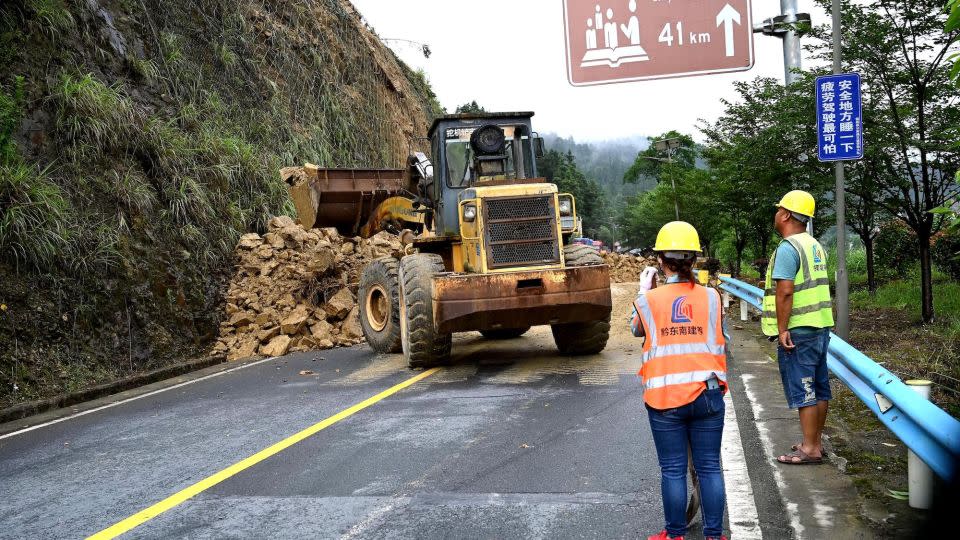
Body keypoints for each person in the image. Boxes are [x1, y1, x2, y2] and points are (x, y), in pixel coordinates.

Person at [630, 221, 728, 540]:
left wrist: (645, 290)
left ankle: (675, 535)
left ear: (661, 260)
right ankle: (714, 535)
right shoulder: (713, 298)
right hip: (708, 393)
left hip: (665, 398)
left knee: (672, 470)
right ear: (694, 261)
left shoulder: (649, 300)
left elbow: (637, 330)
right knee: (710, 467)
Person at [763, 190, 834, 465]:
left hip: (799, 331)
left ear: (786, 214)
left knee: (804, 389)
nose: (776, 213)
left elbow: (785, 292)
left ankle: (809, 449)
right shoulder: (814, 245)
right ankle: (813, 442)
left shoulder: (788, 248)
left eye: (778, 209)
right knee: (819, 387)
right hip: (820, 327)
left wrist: (782, 329)